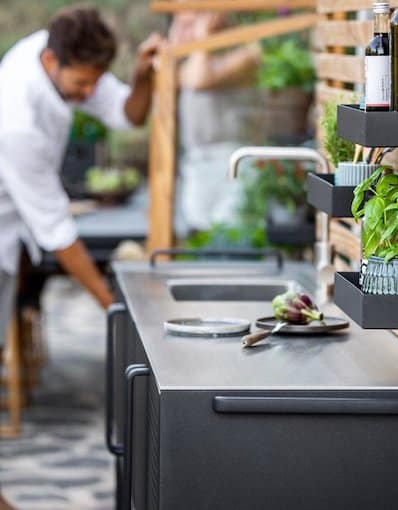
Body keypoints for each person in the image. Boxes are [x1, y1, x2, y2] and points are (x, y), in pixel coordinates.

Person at [0, 6, 160, 510]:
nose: (90, 92)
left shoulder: (66, 55)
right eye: (83, 82)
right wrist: (113, 305)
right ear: (50, 60)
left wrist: (140, 76)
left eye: (97, 81)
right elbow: (59, 234)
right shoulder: (17, 117)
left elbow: (129, 114)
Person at [167, 11, 263, 237]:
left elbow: (201, 80)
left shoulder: (246, 53)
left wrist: (203, 38)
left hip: (234, 161)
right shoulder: (192, 62)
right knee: (200, 232)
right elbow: (179, 77)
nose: (182, 31)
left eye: (189, 23)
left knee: (231, 234)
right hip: (198, 162)